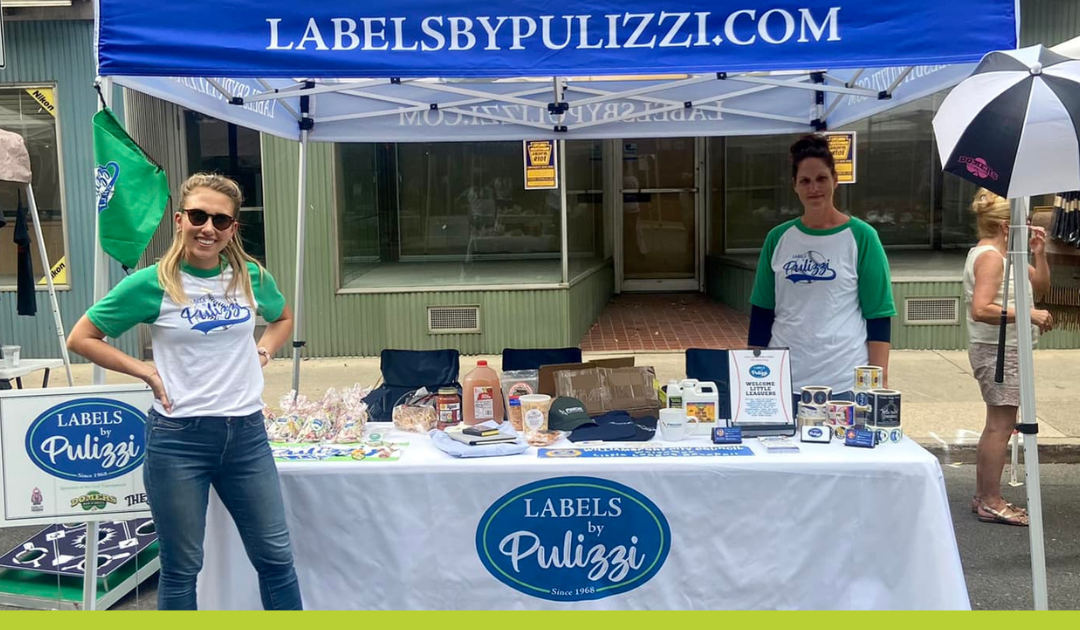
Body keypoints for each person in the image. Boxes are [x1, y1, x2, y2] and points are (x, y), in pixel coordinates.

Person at [67, 173, 302, 609]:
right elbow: (82, 337)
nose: (208, 228)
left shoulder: (249, 277)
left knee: (275, 559)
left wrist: (264, 351)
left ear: (234, 228)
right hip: (178, 441)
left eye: (220, 219)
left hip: (246, 438)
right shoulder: (152, 283)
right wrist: (144, 371)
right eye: (198, 216)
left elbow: (283, 316)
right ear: (179, 219)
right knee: (181, 568)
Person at [748, 134, 896, 408]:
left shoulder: (862, 237)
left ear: (835, 181)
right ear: (794, 186)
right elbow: (762, 311)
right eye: (805, 180)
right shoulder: (778, 238)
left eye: (821, 179)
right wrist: (751, 374)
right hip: (783, 377)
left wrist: (880, 379)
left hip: (843, 381)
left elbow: (878, 314)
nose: (813, 188)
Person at [964, 189, 1052, 527]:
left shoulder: (1007, 254)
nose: (1028, 227)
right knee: (1001, 427)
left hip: (1006, 349)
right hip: (999, 351)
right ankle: (991, 499)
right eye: (1023, 222)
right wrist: (1028, 314)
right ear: (1006, 225)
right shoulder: (991, 258)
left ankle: (984, 495)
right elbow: (981, 309)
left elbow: (1039, 286)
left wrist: (1039, 254)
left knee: (996, 425)